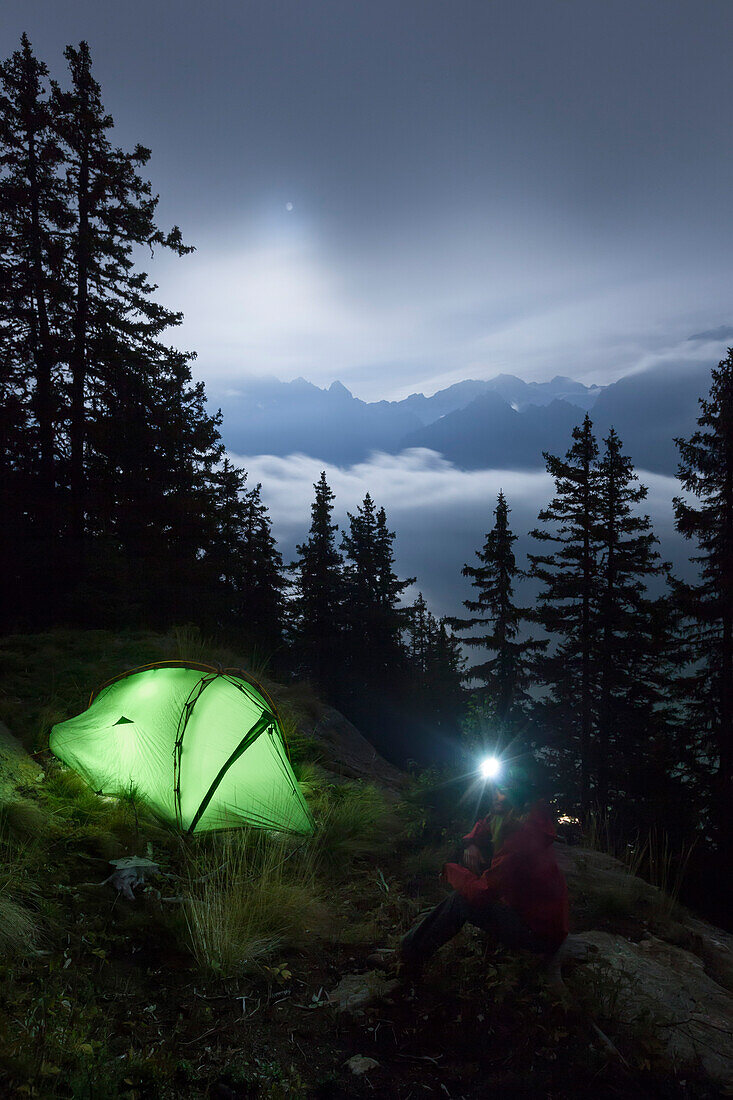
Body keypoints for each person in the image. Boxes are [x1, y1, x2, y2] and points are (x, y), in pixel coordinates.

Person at [399, 779, 569, 977]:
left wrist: (450, 870)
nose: (496, 796)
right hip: (530, 917)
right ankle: (428, 928)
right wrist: (471, 843)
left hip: (539, 937)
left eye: (503, 792)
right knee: (472, 862)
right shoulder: (518, 817)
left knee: (462, 900)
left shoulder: (521, 839)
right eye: (496, 790)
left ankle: (407, 955)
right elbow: (485, 823)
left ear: (519, 800)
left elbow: (481, 894)